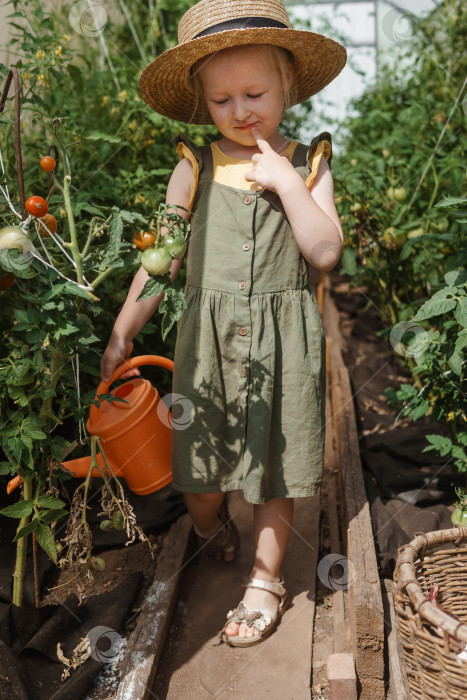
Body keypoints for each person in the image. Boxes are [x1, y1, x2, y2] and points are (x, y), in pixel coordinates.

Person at [101, 0, 346, 647]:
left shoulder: (309, 162)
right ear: (201, 104)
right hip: (206, 345)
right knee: (200, 478)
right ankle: (210, 527)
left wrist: (287, 186)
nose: (239, 111)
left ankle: (265, 579)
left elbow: (324, 252)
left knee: (273, 466)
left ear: (288, 87)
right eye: (220, 100)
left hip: (283, 342)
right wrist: (124, 329)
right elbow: (161, 259)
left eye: (254, 93)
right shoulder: (194, 165)